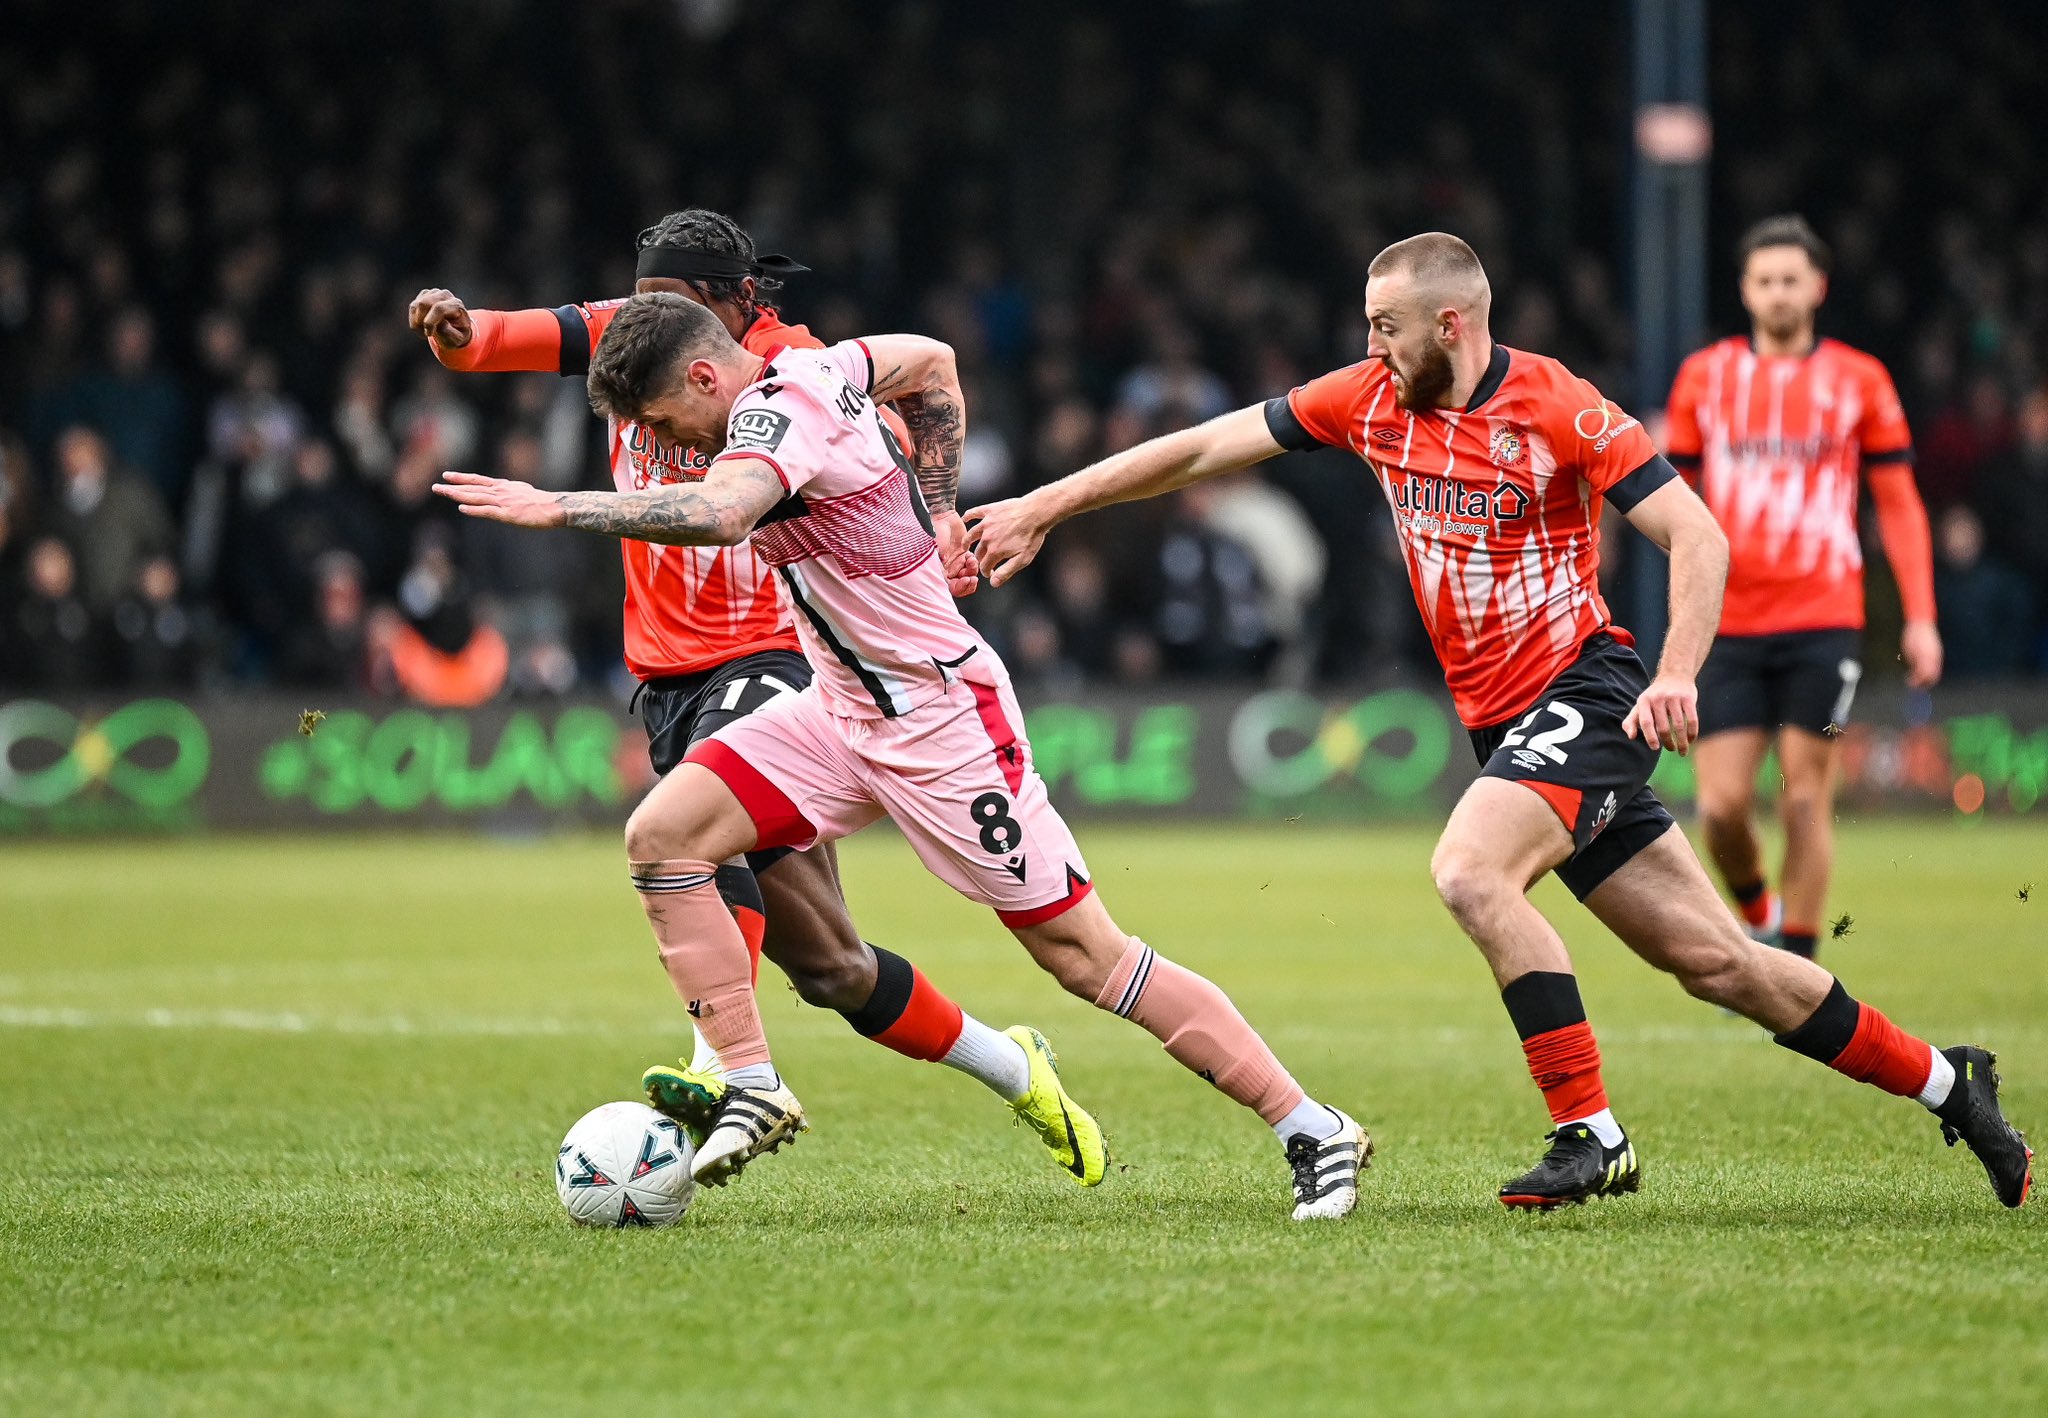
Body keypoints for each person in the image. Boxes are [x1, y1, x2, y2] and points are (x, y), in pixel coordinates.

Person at [967, 232, 2031, 1211]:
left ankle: (1589, 1129)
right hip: (1505, 726)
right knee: (1721, 964)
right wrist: (1041, 507)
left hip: (1588, 690)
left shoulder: (1558, 406)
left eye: (1384, 324)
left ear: (1450, 325)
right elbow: (1199, 450)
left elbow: (1697, 537)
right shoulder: (1365, 401)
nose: (1367, 344)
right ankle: (1949, 1082)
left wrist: (1674, 674)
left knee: (1469, 870)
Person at [434, 293, 1368, 1220]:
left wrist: (557, 508)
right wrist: (941, 512)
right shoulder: (831, 365)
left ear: (707, 376)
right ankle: (749, 1079)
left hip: (939, 724)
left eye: (663, 420)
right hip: (837, 712)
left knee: (1086, 957)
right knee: (665, 835)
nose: (666, 442)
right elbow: (932, 363)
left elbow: (723, 515)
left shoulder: (774, 413)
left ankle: (1311, 1125)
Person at [408, 211, 1096, 1182]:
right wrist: (455, 327)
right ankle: (1011, 1062)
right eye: (637, 303)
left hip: (775, 652)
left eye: (667, 305)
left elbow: (882, 444)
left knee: (693, 818)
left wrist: (930, 513)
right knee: (830, 965)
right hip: (664, 669)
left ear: (730, 304)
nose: (640, 322)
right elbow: (500, 340)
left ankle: (730, 1068)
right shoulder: (628, 338)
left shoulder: (791, 369)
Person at [1665, 215, 1942, 959]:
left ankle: (1797, 963)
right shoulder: (1703, 378)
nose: (1779, 293)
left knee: (1802, 793)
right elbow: (1674, 505)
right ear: (1745, 291)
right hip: (1728, 619)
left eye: (1792, 279)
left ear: (1817, 287)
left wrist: (1921, 617)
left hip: (1824, 618)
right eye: (1765, 281)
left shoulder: (1861, 380)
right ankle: (1759, 911)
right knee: (1720, 808)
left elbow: (1900, 504)